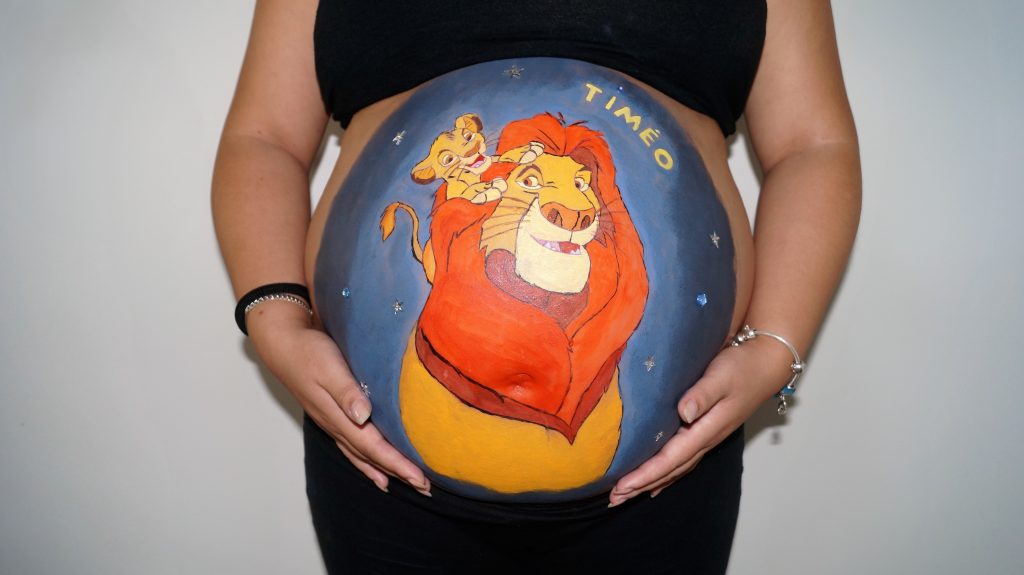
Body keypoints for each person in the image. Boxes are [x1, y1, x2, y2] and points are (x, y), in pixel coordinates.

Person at [212, 0, 860, 572]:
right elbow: (265, 136)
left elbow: (812, 145)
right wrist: (274, 318)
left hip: (665, 481)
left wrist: (774, 347)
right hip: (380, 470)